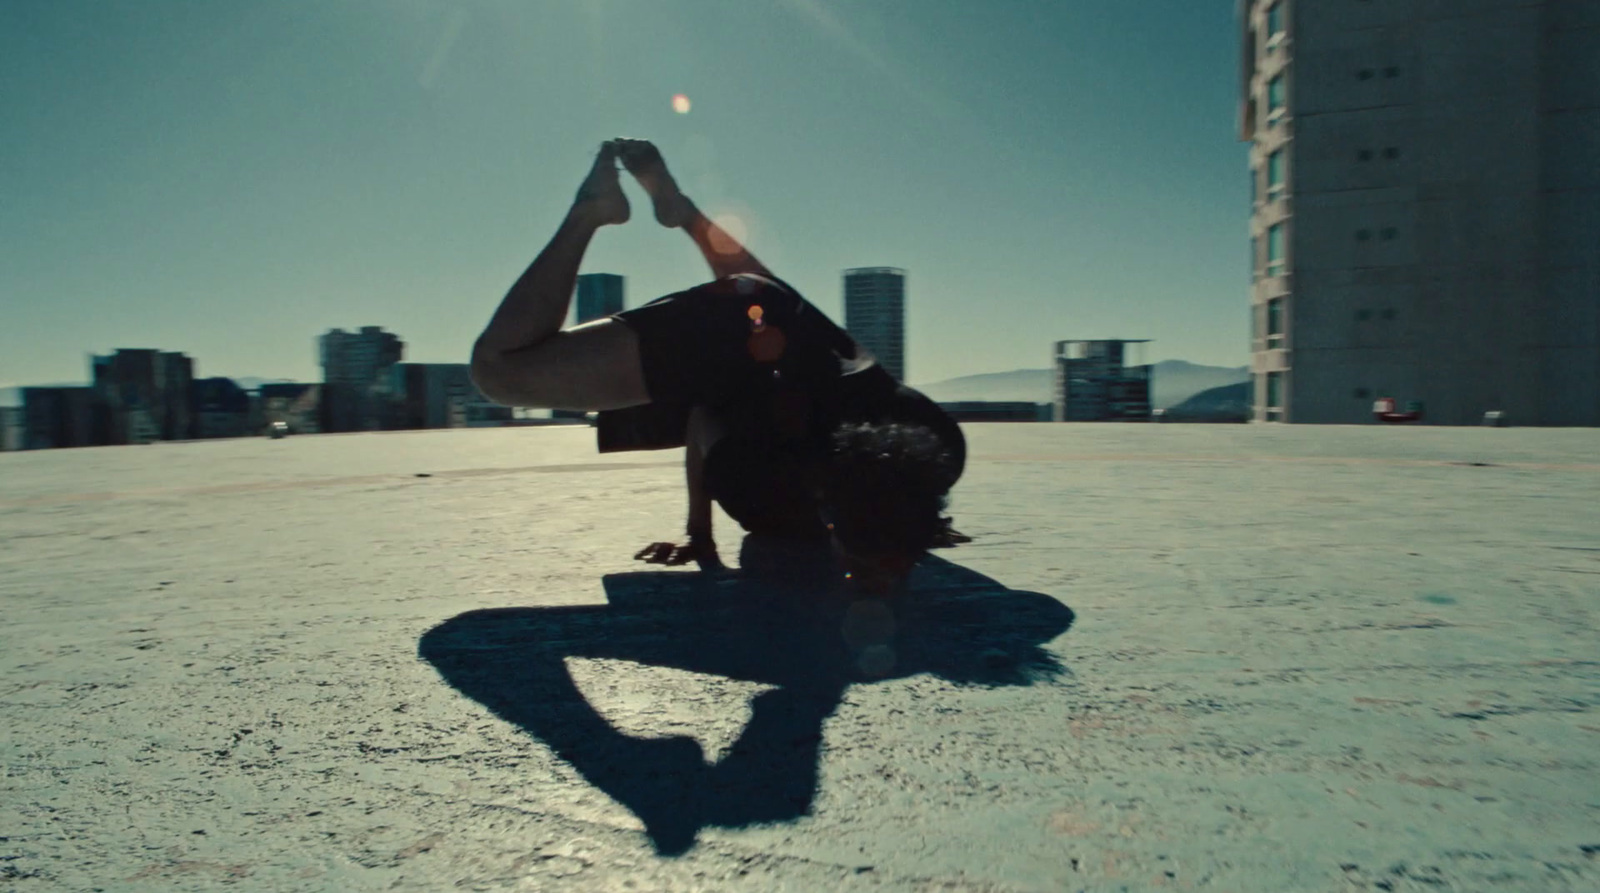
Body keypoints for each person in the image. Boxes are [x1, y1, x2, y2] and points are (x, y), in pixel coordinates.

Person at [471, 139, 969, 594]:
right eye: (870, 566)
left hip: (779, 315)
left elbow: (750, 385)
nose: (875, 579)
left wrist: (918, 521)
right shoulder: (758, 486)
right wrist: (699, 536)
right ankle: (590, 212)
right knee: (497, 372)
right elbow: (703, 415)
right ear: (828, 521)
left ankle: (683, 212)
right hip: (730, 329)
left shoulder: (938, 445)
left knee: (769, 307)